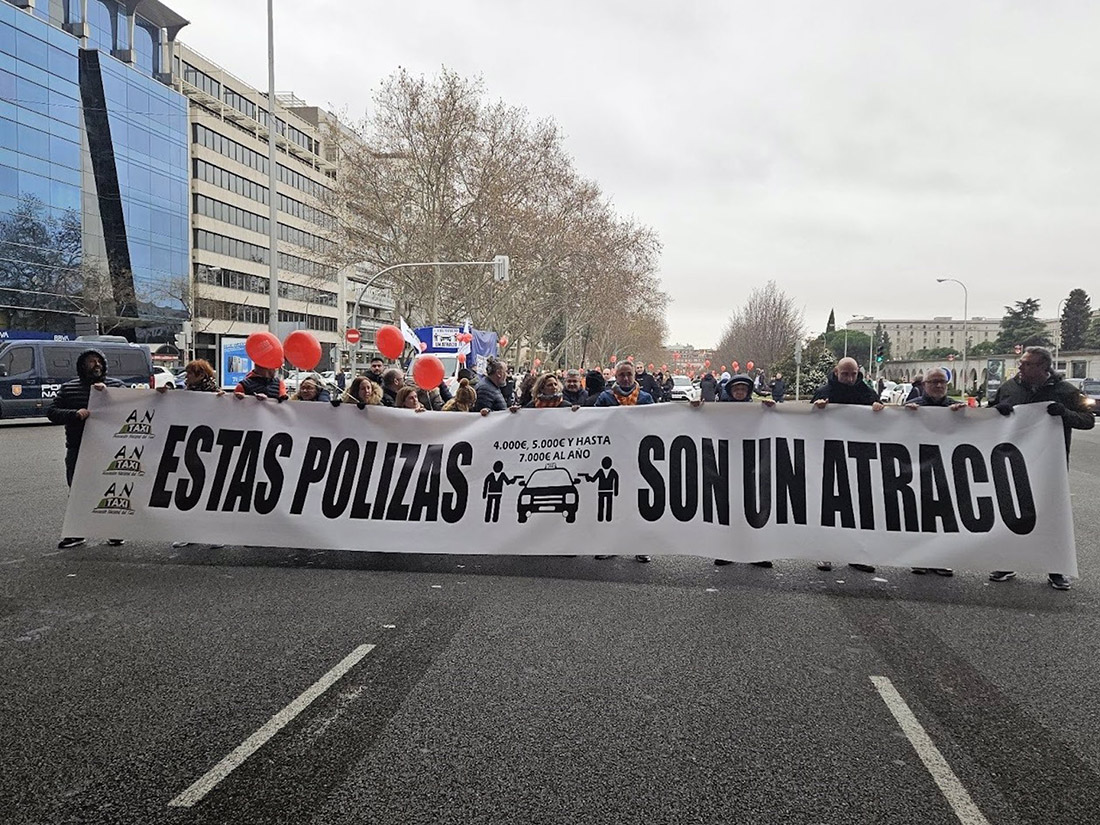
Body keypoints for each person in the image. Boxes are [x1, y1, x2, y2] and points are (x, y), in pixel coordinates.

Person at [988, 346, 1094, 590]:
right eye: (1021, 362)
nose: (1021, 367)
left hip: (1049, 464)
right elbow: (988, 413)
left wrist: (1065, 413)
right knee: (1011, 512)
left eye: (1028, 364)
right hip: (1013, 463)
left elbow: (1088, 420)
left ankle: (1056, 569)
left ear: (1043, 367)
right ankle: (1007, 562)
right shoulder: (1009, 388)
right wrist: (996, 411)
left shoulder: (1065, 391)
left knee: (1051, 517)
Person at [46, 349, 126, 549]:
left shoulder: (116, 387)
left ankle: (114, 531)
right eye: (91, 361)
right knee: (77, 493)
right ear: (82, 365)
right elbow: (52, 412)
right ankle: (76, 533)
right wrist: (75, 414)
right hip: (78, 448)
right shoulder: (68, 389)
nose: (96, 364)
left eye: (99, 361)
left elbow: (135, 408)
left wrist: (160, 394)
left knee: (110, 492)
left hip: (109, 450)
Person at [811, 357, 884, 573]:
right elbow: (807, 422)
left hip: (859, 457)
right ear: (836, 372)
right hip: (830, 457)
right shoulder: (823, 391)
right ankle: (825, 552)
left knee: (859, 506)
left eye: (853, 374)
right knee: (828, 506)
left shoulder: (867, 392)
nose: (850, 378)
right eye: (845, 374)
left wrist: (880, 408)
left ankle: (857, 554)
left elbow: (881, 421)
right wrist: (817, 408)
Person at [904, 368, 965, 576]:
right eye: (934, 382)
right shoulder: (913, 407)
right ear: (924, 385)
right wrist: (905, 415)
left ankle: (941, 558)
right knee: (919, 514)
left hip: (946, 470)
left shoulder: (955, 407)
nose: (939, 386)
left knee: (945, 515)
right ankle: (919, 558)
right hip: (919, 471)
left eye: (942, 382)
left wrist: (964, 416)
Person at [712, 375, 774, 569]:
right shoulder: (719, 410)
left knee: (753, 506)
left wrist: (771, 409)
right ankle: (725, 550)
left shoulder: (758, 409)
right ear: (730, 391)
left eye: (743, 389)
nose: (739, 392)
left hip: (751, 464)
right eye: (736, 389)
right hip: (726, 462)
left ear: (748, 391)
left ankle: (756, 552)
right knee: (727, 507)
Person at [592, 361, 652, 562]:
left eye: (629, 374)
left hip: (638, 456)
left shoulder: (645, 398)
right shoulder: (606, 397)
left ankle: (640, 546)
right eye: (622, 375)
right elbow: (593, 421)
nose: (625, 378)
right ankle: (610, 544)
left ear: (634, 376)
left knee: (637, 502)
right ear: (615, 377)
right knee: (613, 504)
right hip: (612, 455)